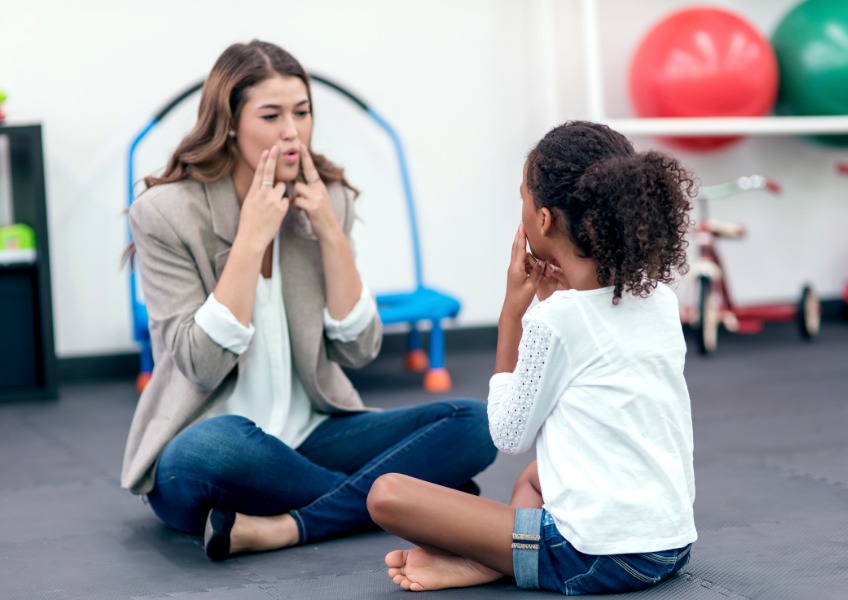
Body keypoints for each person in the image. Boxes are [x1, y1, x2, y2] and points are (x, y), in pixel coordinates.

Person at [120, 40, 496, 561]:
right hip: (211, 444)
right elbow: (201, 365)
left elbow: (359, 350)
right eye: (271, 115)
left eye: (302, 112)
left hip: (311, 433)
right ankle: (406, 498)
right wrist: (251, 237)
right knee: (216, 446)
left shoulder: (328, 197)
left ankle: (288, 525)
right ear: (229, 122)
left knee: (475, 423)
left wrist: (327, 229)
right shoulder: (164, 213)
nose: (292, 131)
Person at [367, 121, 697, 595]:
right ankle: (498, 559)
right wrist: (548, 307)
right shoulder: (659, 299)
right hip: (669, 546)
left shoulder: (555, 321)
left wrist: (512, 315)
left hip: (597, 559)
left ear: (542, 220)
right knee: (536, 479)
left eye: (522, 196)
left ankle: (495, 560)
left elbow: (508, 433)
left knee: (388, 494)